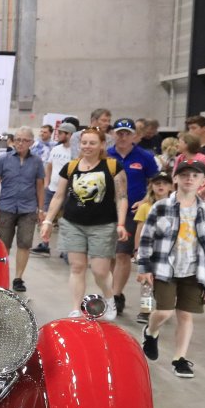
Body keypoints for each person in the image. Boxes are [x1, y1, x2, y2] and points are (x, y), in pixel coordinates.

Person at [136, 160, 205, 378]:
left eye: (195, 176)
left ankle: (180, 359)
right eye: (184, 175)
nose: (189, 179)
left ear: (203, 181)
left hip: (195, 271)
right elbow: (146, 239)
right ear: (175, 178)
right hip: (165, 269)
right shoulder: (160, 207)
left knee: (185, 314)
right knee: (164, 311)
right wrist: (144, 266)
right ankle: (151, 331)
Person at [40, 126, 127, 318]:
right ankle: (75, 308)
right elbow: (58, 196)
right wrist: (48, 221)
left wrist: (121, 224)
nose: (87, 146)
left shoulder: (113, 166)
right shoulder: (71, 167)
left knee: (100, 271)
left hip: (103, 225)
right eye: (84, 142)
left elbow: (122, 197)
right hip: (73, 223)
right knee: (77, 267)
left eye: (92, 143)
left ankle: (109, 298)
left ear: (102, 145)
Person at [106, 118, 159, 316]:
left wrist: (145, 200)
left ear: (134, 136)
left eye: (126, 133)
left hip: (131, 212)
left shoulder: (145, 156)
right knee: (108, 255)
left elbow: (155, 181)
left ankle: (116, 295)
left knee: (122, 254)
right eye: (119, 133)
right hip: (106, 211)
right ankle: (109, 291)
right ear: (113, 134)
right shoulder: (105, 155)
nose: (122, 137)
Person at [0, 126, 45, 294]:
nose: (20, 143)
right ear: (13, 141)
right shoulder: (3, 159)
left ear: (32, 142)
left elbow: (40, 186)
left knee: (24, 244)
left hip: (28, 209)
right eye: (18, 140)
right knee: (3, 244)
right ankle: (1, 276)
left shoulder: (37, 162)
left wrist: (41, 209)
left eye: (25, 140)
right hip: (6, 207)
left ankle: (18, 278)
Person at [132, 172, 173, 323]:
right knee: (146, 282)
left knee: (167, 281)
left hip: (168, 252)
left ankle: (164, 307)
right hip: (149, 250)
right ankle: (145, 310)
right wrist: (137, 250)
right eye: (157, 183)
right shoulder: (145, 207)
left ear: (171, 187)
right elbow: (140, 230)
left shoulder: (176, 207)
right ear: (151, 186)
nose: (161, 186)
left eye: (164, 183)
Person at [37, 118, 79, 255]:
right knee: (46, 216)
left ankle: (64, 249)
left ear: (69, 134)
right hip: (51, 189)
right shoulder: (55, 149)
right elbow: (49, 166)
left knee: (65, 220)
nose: (58, 135)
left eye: (61, 133)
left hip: (68, 191)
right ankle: (44, 244)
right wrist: (47, 183)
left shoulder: (76, 152)